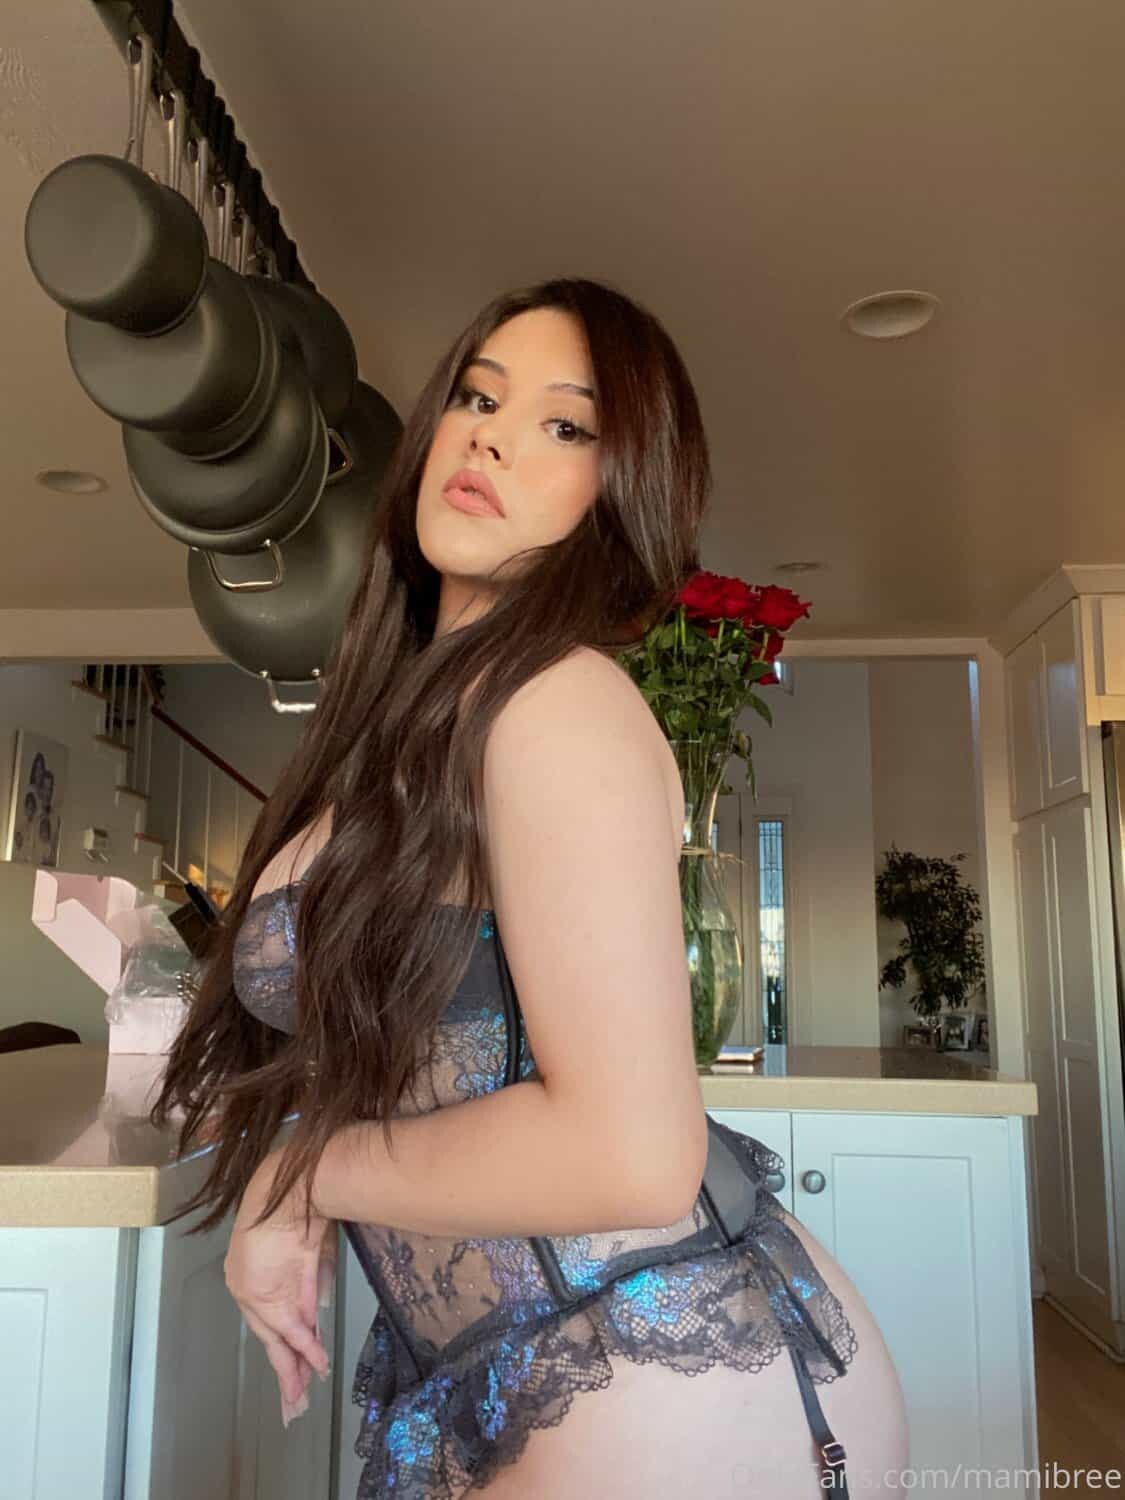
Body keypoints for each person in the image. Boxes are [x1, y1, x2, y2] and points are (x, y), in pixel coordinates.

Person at [152, 277, 909, 1498]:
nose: (493, 437)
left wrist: (299, 1172)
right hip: (523, 1369)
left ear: (620, 493)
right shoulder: (414, 718)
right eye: (476, 397)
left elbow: (630, 1154)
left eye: (564, 424)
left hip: (653, 1371)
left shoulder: (558, 705)